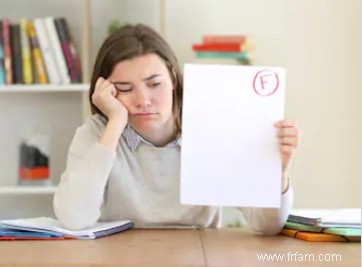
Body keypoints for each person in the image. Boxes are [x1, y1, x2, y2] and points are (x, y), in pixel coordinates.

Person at [53, 24, 300, 234]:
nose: (143, 100)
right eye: (125, 88)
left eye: (154, 84)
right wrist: (116, 122)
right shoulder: (98, 134)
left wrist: (277, 173)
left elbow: (268, 225)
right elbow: (74, 218)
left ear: (172, 77)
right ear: (106, 90)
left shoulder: (211, 126)